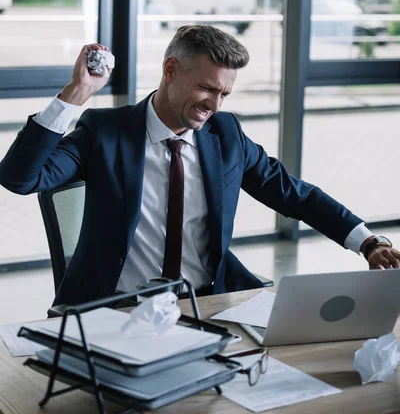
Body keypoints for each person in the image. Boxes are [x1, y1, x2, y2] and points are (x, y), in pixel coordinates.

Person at [1, 25, 399, 307]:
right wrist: (77, 94)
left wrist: (367, 242)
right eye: (208, 88)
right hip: (116, 307)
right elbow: (20, 178)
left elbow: (294, 194)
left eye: (224, 92)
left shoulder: (226, 134)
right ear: (171, 70)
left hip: (209, 302)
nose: (216, 104)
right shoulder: (104, 131)